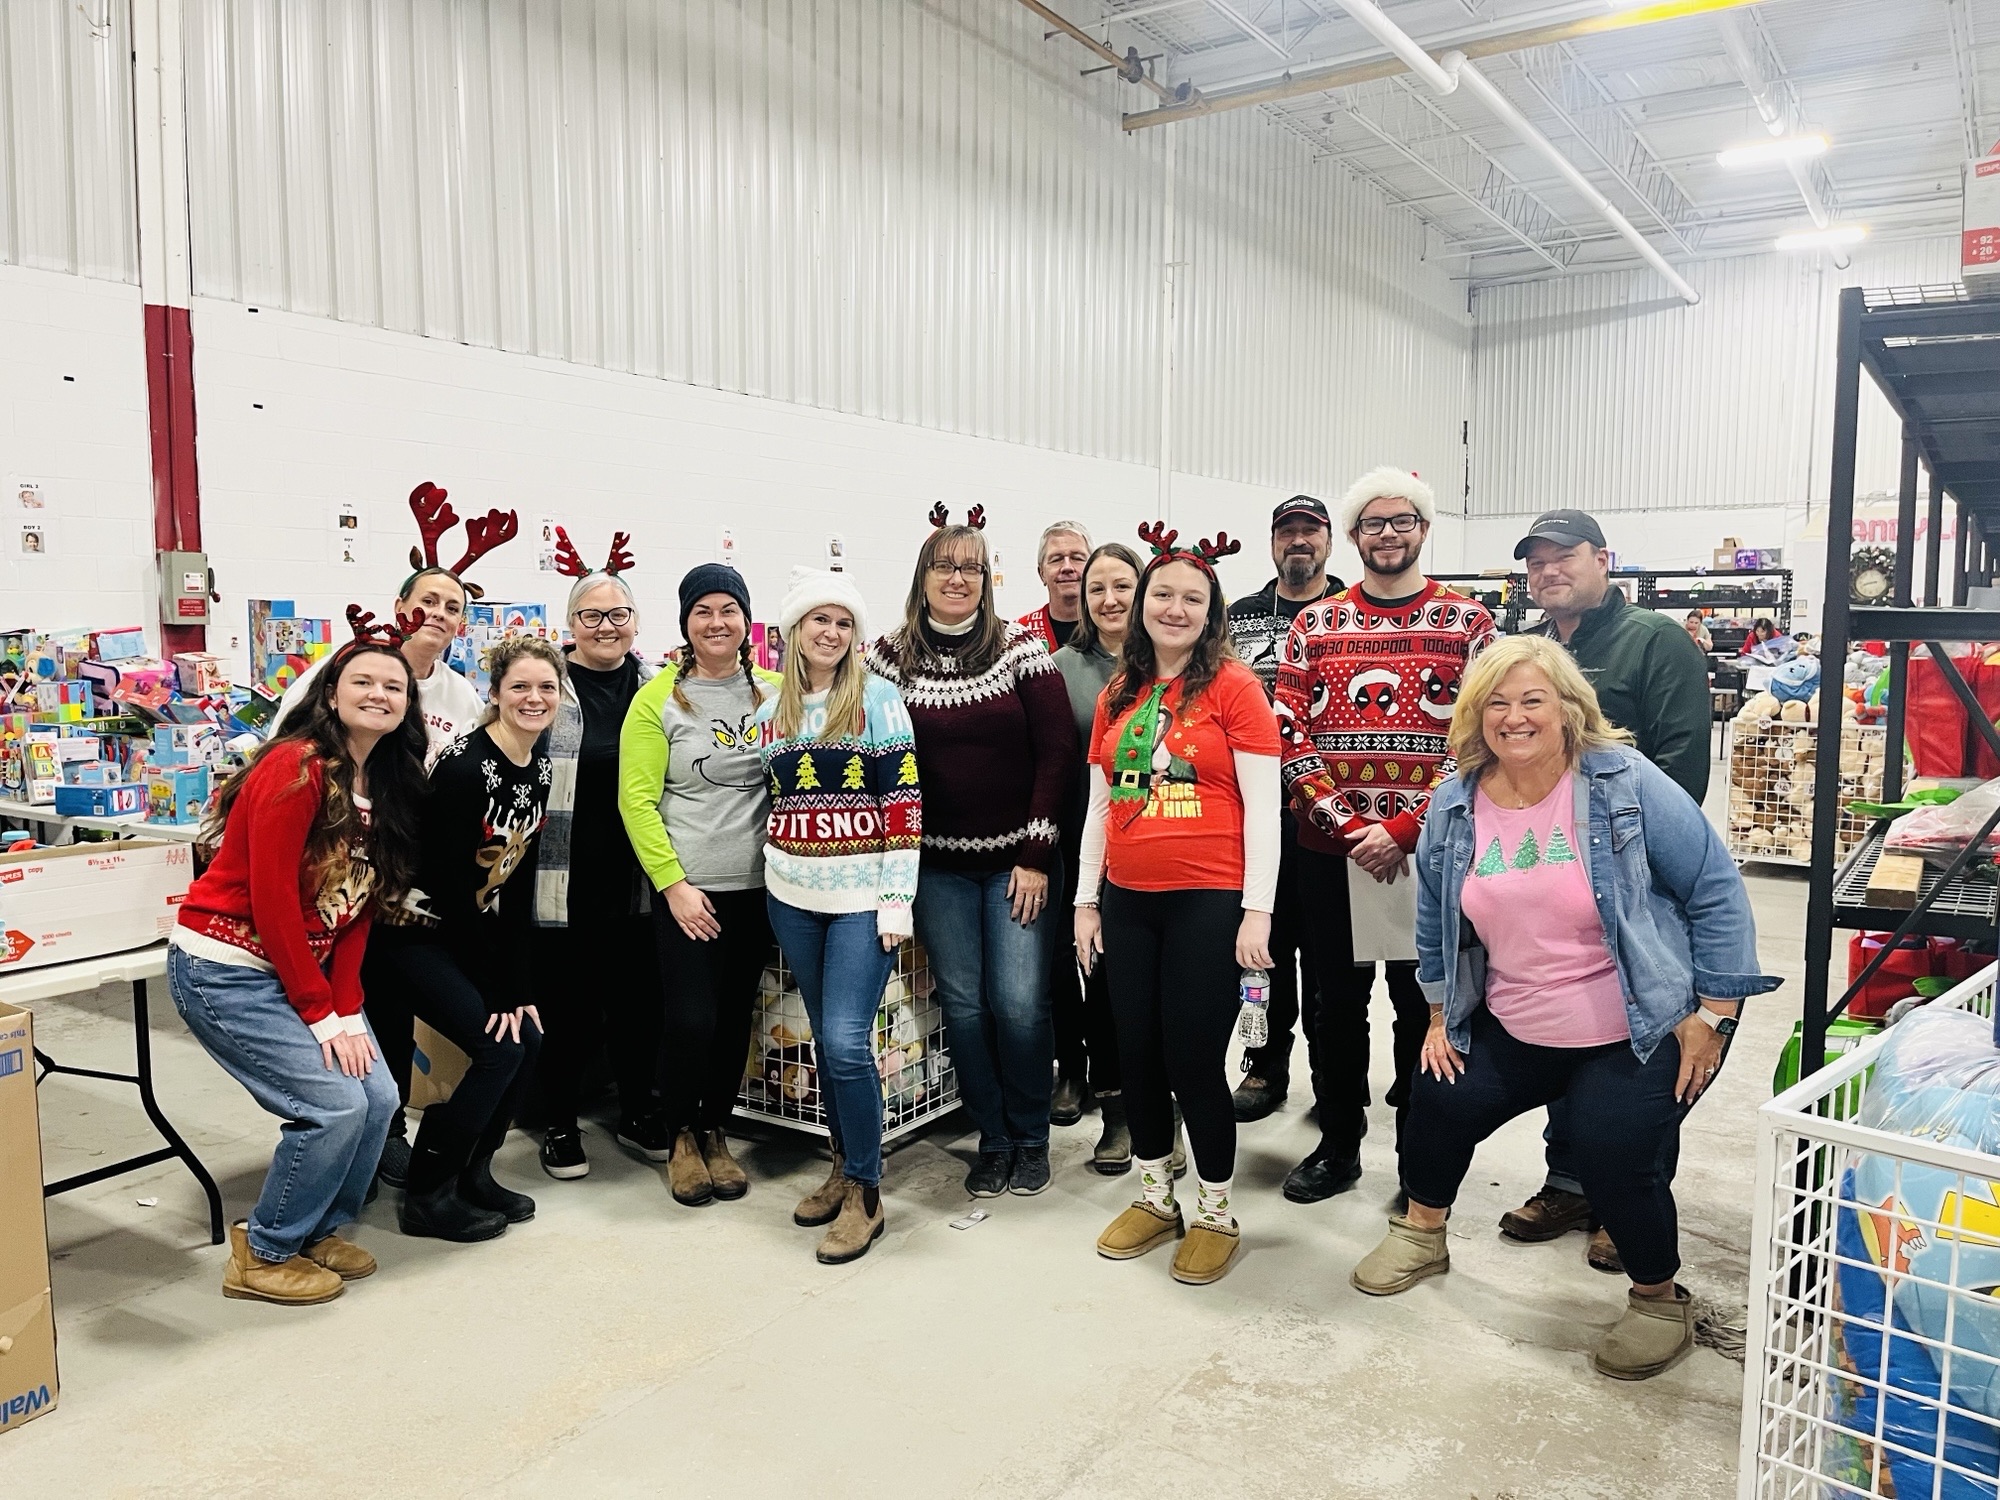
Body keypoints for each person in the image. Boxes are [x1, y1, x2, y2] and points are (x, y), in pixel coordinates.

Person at [1350, 636, 1776, 1381]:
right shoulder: (1455, 802)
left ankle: (1656, 1299)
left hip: (1644, 1020)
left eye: (1532, 700)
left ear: (1569, 708)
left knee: (1613, 1148)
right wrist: (1441, 1011)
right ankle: (1422, 1232)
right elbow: (1435, 920)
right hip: (1522, 1018)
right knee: (1438, 1093)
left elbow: (1714, 886)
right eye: (1496, 704)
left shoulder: (1621, 779)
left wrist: (1716, 1012)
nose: (1514, 718)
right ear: (1475, 718)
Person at [169, 615, 428, 1303]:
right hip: (225, 967)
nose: (379, 693)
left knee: (379, 1098)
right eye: (363, 681)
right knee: (333, 1107)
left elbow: (356, 912)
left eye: (394, 686)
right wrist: (321, 1016)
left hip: (302, 970)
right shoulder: (297, 767)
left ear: (409, 703)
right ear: (331, 692)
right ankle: (264, 1249)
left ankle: (318, 1229)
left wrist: (345, 1006)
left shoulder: (390, 785)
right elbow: (275, 899)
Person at [273, 484, 514, 1195]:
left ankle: (386, 1140)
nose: (439, 615)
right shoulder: (347, 670)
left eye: (453, 608)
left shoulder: (462, 697)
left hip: (411, 891)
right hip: (341, 881)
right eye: (429, 601)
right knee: (363, 1016)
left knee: (397, 1015)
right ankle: (374, 1145)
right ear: (401, 605)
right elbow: (285, 750)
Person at [1274, 468, 1496, 1204]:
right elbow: (1288, 731)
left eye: (1403, 521)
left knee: (1422, 1006)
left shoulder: (1469, 626)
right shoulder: (1314, 626)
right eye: (1374, 522)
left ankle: (1418, 1160)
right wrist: (1349, 827)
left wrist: (1403, 829)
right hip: (1328, 855)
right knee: (1331, 1011)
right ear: (1354, 536)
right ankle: (1339, 1146)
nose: (1389, 533)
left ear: (1424, 531)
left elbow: (1479, 742)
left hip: (1427, 858)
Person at [1508, 508, 1715, 1267]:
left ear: (1604, 559)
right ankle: (1570, 1180)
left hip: (1636, 888)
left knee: (1643, 1045)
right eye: (1536, 562)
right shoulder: (1529, 651)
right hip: (1549, 886)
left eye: (1565, 557)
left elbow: (1684, 767)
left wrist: (1638, 870)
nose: (1549, 571)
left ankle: (1627, 1192)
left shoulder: (1654, 642)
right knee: (1568, 1032)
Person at [1077, 522, 1279, 1287]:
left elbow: (1263, 809)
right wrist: (1084, 901)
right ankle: (1157, 1198)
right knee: (1138, 1056)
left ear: (1210, 611)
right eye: (1162, 593)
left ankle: (1217, 1211)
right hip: (1129, 901)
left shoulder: (1234, 688)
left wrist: (1256, 911)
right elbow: (1098, 806)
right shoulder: (1119, 694)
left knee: (1195, 1060)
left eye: (1192, 598)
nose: (1174, 607)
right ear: (1141, 605)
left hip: (1208, 900)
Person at [867, 509, 1077, 1198]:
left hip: (1016, 866)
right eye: (944, 566)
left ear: (987, 581)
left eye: (970, 568)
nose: (957, 579)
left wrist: (1036, 854)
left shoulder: (1020, 650)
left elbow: (1056, 755)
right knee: (964, 1007)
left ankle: (1030, 1136)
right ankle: (991, 1138)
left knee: (1018, 1003)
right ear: (923, 577)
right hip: (935, 868)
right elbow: (863, 747)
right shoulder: (889, 658)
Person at [758, 568, 922, 1265]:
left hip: (861, 900)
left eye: (843, 623)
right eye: (818, 621)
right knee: (827, 1042)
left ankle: (866, 1191)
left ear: (855, 636)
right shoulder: (774, 713)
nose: (830, 633)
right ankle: (840, 1162)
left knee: (848, 1041)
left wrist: (896, 898)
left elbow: (904, 804)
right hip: (793, 892)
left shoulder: (879, 701)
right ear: (795, 632)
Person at [376, 637, 562, 1242]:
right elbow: (456, 892)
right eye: (520, 688)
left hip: (465, 928)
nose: (534, 699)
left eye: (546, 688)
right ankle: (428, 1193)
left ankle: (474, 1174)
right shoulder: (464, 766)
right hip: (410, 932)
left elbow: (518, 880)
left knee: (527, 1039)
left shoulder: (540, 764)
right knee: (499, 1047)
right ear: (496, 693)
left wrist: (521, 987)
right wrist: (498, 988)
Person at [619, 563, 781, 1205]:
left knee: (736, 1015)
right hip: (691, 891)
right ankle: (679, 1132)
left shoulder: (776, 691)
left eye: (729, 610)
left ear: (746, 620)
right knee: (691, 1017)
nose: (717, 623)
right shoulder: (656, 698)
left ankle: (716, 1130)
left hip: (762, 887)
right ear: (686, 623)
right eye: (703, 611)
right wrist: (673, 884)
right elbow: (637, 800)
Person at [530, 531, 667, 1183]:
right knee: (570, 1006)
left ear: (635, 623)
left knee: (640, 1004)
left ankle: (640, 1111)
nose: (605, 626)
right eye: (591, 615)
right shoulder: (542, 685)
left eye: (617, 615)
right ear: (571, 624)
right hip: (563, 876)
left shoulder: (661, 686)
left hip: (642, 876)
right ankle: (558, 1122)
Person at [1224, 494, 1345, 1124]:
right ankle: (1266, 1066)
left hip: (1329, 815)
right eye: (1287, 531)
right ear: (1273, 541)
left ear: (1328, 540)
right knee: (1265, 948)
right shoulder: (1239, 618)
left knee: (1328, 959)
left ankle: (1333, 1076)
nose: (1299, 541)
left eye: (1310, 531)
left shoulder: (1353, 613)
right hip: (1255, 814)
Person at [1051, 542, 1144, 1173]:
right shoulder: (1060, 668)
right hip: (1086, 845)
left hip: (1164, 847)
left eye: (1122, 586)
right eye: (1096, 589)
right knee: (1100, 985)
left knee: (1148, 989)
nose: (1109, 600)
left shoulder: (1170, 660)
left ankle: (1159, 1103)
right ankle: (1115, 1111)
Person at [1018, 520, 1092, 654]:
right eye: (1056, 559)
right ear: (1042, 574)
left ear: (1093, 569)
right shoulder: (1021, 634)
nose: (1067, 567)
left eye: (1077, 558)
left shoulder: (1109, 629)